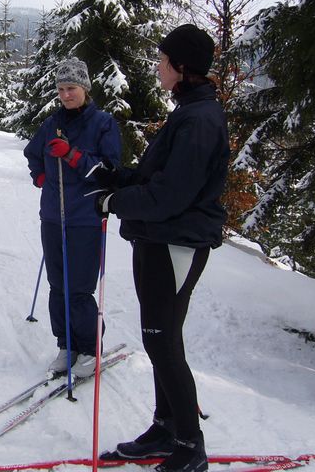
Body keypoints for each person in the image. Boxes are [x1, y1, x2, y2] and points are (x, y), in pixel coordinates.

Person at [96, 25, 228, 472]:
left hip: (176, 243)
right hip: (158, 239)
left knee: (163, 342)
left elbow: (172, 195)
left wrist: (117, 202)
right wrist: (118, 178)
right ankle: (167, 427)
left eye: (163, 60)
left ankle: (191, 445)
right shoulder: (189, 112)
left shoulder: (199, 120)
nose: (158, 66)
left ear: (181, 67)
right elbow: (160, 177)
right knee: (159, 340)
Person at [23, 57, 121, 378]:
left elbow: (109, 170)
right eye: (61, 88)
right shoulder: (52, 123)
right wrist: (40, 177)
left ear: (85, 88)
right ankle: (67, 346)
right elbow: (32, 154)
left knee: (78, 288)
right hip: (53, 214)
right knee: (57, 285)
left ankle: (89, 350)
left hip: (85, 218)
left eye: (72, 88)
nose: (66, 94)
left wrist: (72, 154)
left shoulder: (103, 123)